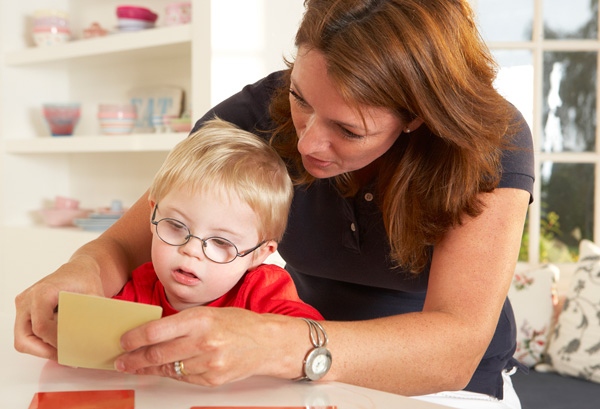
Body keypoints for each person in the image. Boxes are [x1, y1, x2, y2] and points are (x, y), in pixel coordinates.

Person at [14, 1, 534, 408]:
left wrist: (279, 345)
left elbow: (453, 349)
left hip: (445, 392)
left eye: (348, 130)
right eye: (301, 98)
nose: (307, 143)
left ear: (416, 117)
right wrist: (77, 273)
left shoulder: (489, 141)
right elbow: (125, 243)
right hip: (297, 374)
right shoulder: (249, 117)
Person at [111, 118, 322, 322]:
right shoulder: (139, 288)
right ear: (153, 213)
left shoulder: (262, 292)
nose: (191, 250)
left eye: (221, 242)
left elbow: (313, 339)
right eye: (176, 226)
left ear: (258, 254)